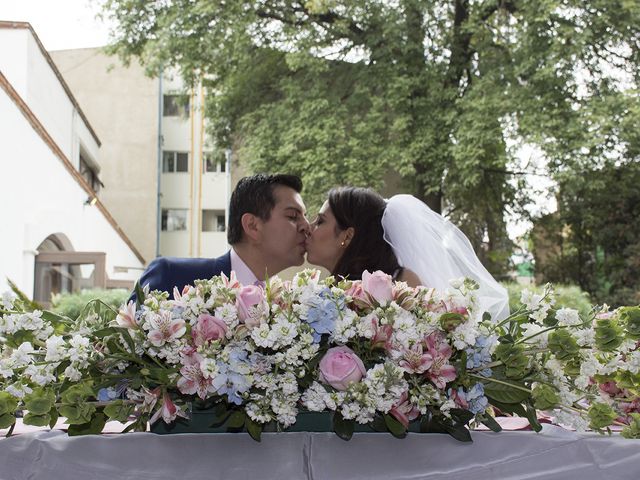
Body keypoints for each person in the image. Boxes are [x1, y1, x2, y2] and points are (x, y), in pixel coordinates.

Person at [305, 187, 510, 321]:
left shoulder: (402, 284)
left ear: (347, 236)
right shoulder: (319, 293)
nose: (309, 227)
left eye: (320, 221)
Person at [132, 173, 310, 300]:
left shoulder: (286, 306)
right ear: (252, 226)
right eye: (293, 216)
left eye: (305, 216)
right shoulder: (171, 277)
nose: (307, 226)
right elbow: (119, 348)